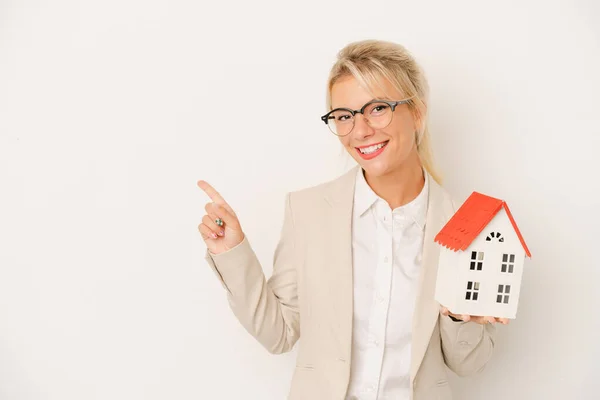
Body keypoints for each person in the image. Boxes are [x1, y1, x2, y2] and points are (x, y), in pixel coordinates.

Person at [197, 39, 508, 400]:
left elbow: (469, 363)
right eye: (344, 116)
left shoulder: (470, 226)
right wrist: (234, 253)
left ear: (417, 113)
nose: (359, 131)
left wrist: (459, 316)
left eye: (377, 108)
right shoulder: (308, 211)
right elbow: (279, 333)